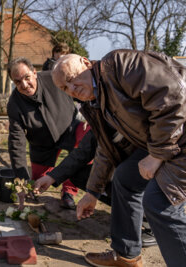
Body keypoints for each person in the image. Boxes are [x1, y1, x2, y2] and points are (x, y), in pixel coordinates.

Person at [52, 50, 186, 267]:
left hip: (179, 133)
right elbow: (106, 149)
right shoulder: (95, 104)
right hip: (162, 140)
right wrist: (93, 192)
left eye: (71, 79)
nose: (72, 89)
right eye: (65, 88)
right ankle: (126, 254)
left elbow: (174, 95)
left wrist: (156, 154)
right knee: (124, 177)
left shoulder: (119, 65)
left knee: (159, 202)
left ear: (86, 63)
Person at [33, 130, 157, 248]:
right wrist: (52, 177)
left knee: (125, 176)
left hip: (153, 167)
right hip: (121, 166)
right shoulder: (101, 114)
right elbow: (84, 151)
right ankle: (130, 211)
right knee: (82, 174)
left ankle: (153, 224)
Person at [7, 57, 83, 210]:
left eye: (27, 77)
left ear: (34, 72)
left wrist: (89, 113)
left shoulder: (53, 77)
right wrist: (21, 180)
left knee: (83, 149)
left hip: (69, 128)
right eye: (17, 82)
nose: (24, 85)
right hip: (41, 142)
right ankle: (31, 187)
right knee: (37, 182)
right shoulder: (14, 104)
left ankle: (68, 192)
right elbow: (16, 143)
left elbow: (81, 89)